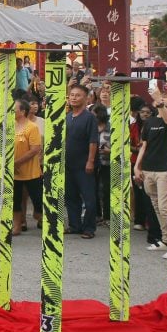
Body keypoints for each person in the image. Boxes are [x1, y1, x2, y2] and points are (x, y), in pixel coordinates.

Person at [135, 87, 167, 258]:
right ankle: (166, 240)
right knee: (157, 206)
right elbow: (144, 145)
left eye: (166, 97)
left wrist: (160, 102)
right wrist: (137, 166)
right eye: (160, 97)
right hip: (148, 168)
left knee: (165, 207)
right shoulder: (149, 122)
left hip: (164, 170)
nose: (162, 99)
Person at [65, 84, 100, 239]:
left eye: (77, 95)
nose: (73, 98)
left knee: (89, 198)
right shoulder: (67, 116)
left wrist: (90, 161)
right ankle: (75, 225)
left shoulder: (90, 117)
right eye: (71, 95)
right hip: (68, 163)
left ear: (86, 98)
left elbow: (93, 141)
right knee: (71, 197)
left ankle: (89, 228)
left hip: (84, 164)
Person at [12, 99, 43, 236]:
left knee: (37, 200)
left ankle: (40, 217)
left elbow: (35, 149)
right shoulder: (10, 125)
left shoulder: (32, 127)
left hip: (31, 172)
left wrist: (17, 162)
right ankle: (17, 226)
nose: (12, 111)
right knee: (16, 201)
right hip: (14, 173)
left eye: (14, 109)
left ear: (22, 111)